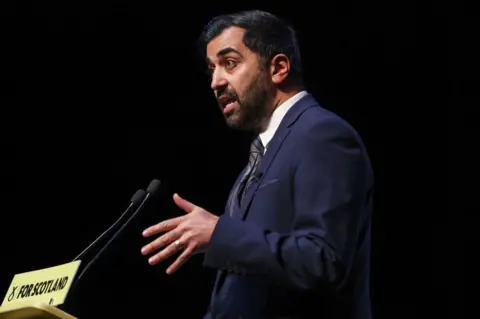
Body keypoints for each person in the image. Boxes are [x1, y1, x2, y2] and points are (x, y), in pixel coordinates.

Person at [140, 9, 374, 319]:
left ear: (278, 68)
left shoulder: (322, 135)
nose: (215, 82)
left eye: (230, 63)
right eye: (211, 69)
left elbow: (324, 261)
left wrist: (219, 234)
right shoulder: (257, 159)